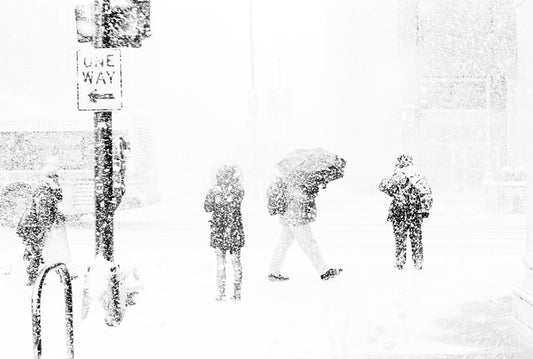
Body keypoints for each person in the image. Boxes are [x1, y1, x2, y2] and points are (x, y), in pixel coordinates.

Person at [267, 171, 342, 281]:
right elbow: (302, 196)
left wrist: (315, 185)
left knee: (282, 245)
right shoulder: (299, 177)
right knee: (309, 244)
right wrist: (314, 187)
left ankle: (273, 272)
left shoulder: (289, 175)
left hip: (289, 217)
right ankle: (324, 271)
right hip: (297, 217)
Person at [379, 154, 432, 270]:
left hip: (399, 211)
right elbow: (427, 192)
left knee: (400, 239)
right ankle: (418, 261)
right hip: (415, 211)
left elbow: (386, 187)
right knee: (416, 238)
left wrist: (385, 183)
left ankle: (400, 261)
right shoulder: (418, 175)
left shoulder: (398, 174)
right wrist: (425, 209)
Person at [16, 167, 64, 285]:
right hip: (32, 226)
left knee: (36, 248)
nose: (58, 181)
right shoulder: (44, 191)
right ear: (51, 178)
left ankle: (29, 254)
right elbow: (43, 211)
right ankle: (32, 278)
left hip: (31, 225)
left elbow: (48, 208)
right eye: (56, 178)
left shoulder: (46, 189)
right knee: (37, 251)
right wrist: (45, 227)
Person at [204, 165, 245, 301]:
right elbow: (237, 202)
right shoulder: (237, 190)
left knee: (220, 263)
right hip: (235, 231)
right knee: (236, 262)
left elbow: (207, 208)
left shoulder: (214, 191)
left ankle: (221, 293)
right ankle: (237, 292)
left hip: (219, 231)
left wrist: (215, 196)